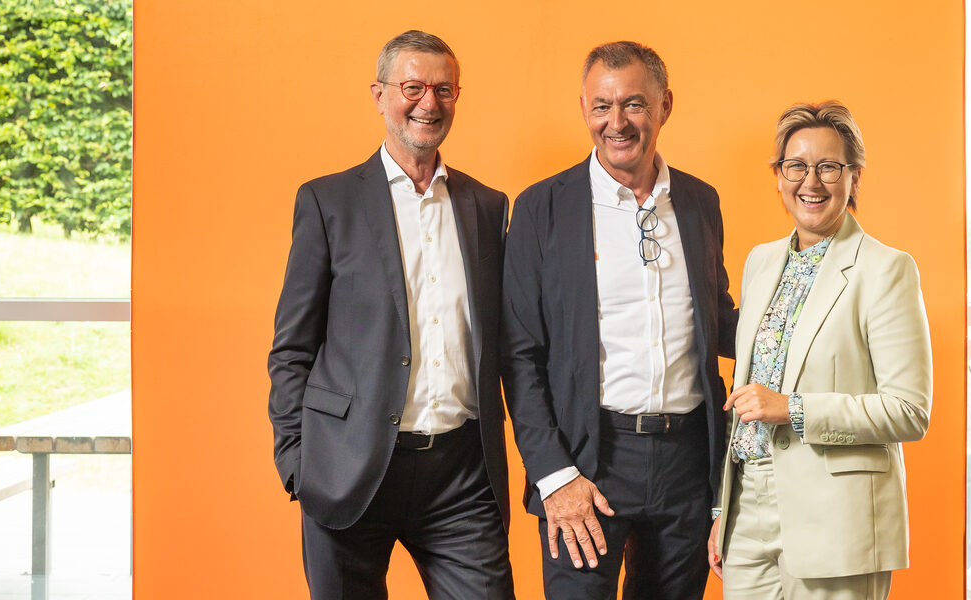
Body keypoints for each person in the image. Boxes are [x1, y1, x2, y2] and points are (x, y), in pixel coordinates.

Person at [267, 30, 514, 600]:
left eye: (443, 89)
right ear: (379, 95)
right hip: (348, 465)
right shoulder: (328, 202)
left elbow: (504, 341)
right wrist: (296, 461)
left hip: (460, 474)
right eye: (412, 88)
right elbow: (292, 347)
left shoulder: (487, 206)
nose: (429, 102)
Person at [501, 40, 738, 599]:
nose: (617, 122)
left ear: (665, 106)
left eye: (634, 103)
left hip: (688, 462)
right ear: (584, 109)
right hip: (588, 459)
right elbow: (520, 355)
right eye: (602, 105)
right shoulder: (543, 208)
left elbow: (717, 317)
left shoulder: (700, 201)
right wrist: (555, 477)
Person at [708, 101, 933, 599]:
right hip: (748, 509)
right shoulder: (760, 262)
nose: (811, 181)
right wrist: (724, 509)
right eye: (796, 166)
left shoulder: (886, 269)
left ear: (853, 176)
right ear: (779, 176)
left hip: (838, 513)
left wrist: (793, 408)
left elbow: (909, 411)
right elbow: (746, 389)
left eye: (829, 166)